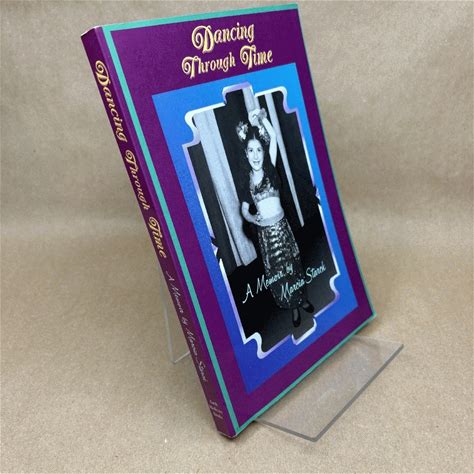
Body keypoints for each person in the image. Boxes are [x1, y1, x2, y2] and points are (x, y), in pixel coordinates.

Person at [238, 108, 314, 327]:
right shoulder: (247, 183)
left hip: (282, 228)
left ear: (263, 152)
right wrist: (253, 219)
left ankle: (302, 299)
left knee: (294, 264)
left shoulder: (270, 167)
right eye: (251, 151)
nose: (255, 155)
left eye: (259, 150)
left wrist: (262, 119)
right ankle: (293, 308)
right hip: (267, 236)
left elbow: (273, 137)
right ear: (246, 154)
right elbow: (244, 210)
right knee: (279, 272)